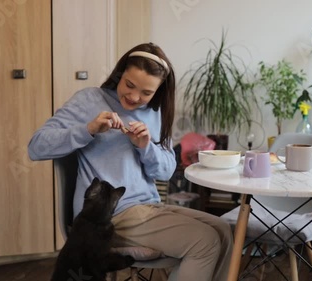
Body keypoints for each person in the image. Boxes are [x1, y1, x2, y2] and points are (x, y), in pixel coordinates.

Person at [28, 43, 233, 281]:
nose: (135, 97)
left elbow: (165, 171)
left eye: (146, 93)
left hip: (149, 209)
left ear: (157, 92)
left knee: (224, 231)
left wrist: (145, 146)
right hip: (110, 216)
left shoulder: (154, 113)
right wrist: (89, 129)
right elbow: (36, 147)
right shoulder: (90, 100)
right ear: (120, 74)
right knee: (204, 241)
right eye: (129, 85)